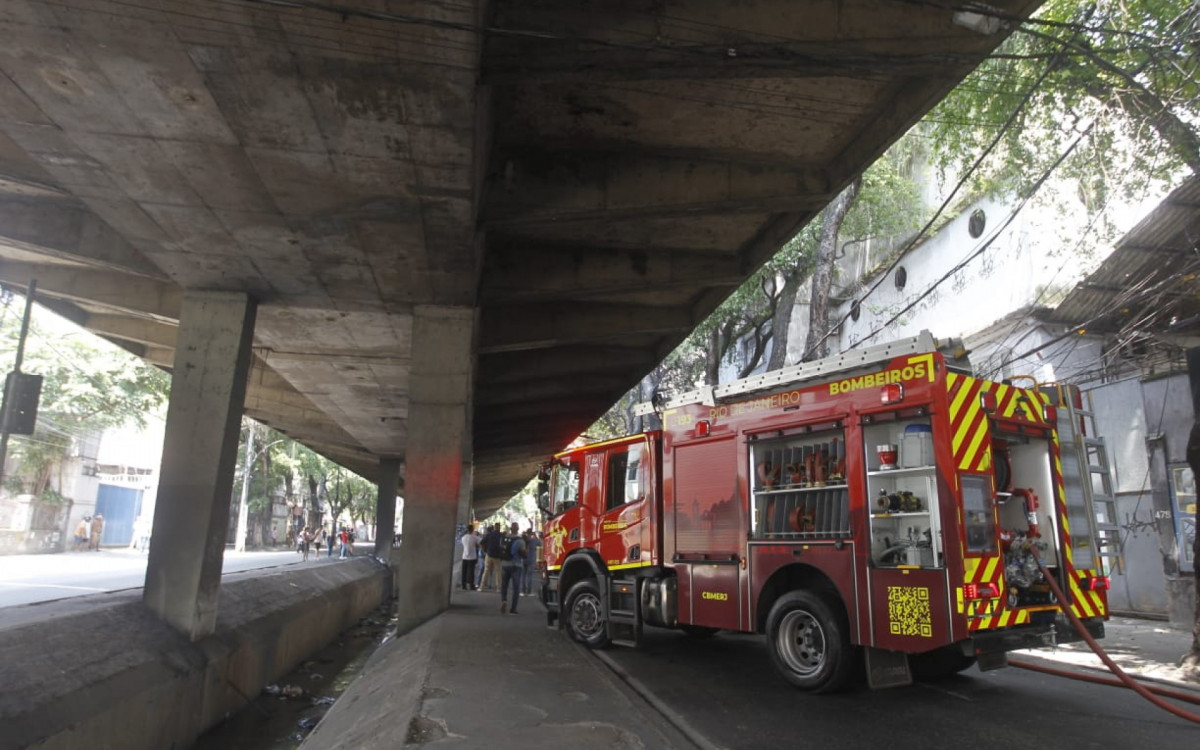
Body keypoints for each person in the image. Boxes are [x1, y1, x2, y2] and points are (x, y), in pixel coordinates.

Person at [499, 522, 527, 615]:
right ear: (518, 529)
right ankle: (513, 609)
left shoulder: (504, 538)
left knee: (504, 585)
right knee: (516, 588)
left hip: (504, 565)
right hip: (516, 565)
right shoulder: (520, 540)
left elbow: (501, 549)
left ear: (511, 529)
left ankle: (504, 600)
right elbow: (524, 555)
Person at [479, 523, 502, 590]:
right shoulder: (501, 535)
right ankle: (498, 588)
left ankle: (482, 587)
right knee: (498, 572)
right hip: (497, 556)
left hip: (489, 555)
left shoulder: (489, 534)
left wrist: (484, 551)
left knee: (486, 571)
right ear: (499, 527)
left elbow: (481, 543)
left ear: (494, 527)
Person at [522, 529, 542, 597]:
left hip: (523, 559)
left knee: (523, 575)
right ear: (531, 533)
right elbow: (540, 543)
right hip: (531, 559)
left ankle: (523, 590)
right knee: (529, 576)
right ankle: (529, 591)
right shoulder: (534, 540)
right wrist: (535, 535)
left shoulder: (524, 540)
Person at [459, 524, 480, 590]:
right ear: (472, 530)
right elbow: (479, 543)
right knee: (471, 572)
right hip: (472, 557)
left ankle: (463, 585)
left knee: (464, 571)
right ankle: (471, 585)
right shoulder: (474, 537)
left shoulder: (463, 537)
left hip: (464, 556)